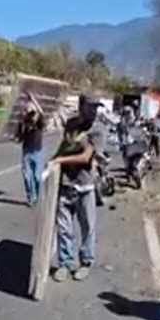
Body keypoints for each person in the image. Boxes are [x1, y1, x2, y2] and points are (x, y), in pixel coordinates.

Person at [50, 96, 102, 283]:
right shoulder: (71, 124)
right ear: (81, 106)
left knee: (87, 227)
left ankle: (86, 262)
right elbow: (64, 147)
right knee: (64, 228)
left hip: (85, 185)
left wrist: (59, 160)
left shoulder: (96, 129)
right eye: (90, 107)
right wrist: (52, 160)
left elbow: (86, 157)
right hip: (66, 183)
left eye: (96, 108)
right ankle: (65, 263)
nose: (93, 112)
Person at [16, 96, 45, 206]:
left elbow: (40, 112)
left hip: (38, 151)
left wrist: (33, 99)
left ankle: (36, 196)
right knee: (27, 176)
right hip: (26, 152)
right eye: (28, 110)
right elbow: (19, 138)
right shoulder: (23, 123)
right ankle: (30, 197)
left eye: (32, 110)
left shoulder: (39, 123)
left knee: (37, 177)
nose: (30, 112)